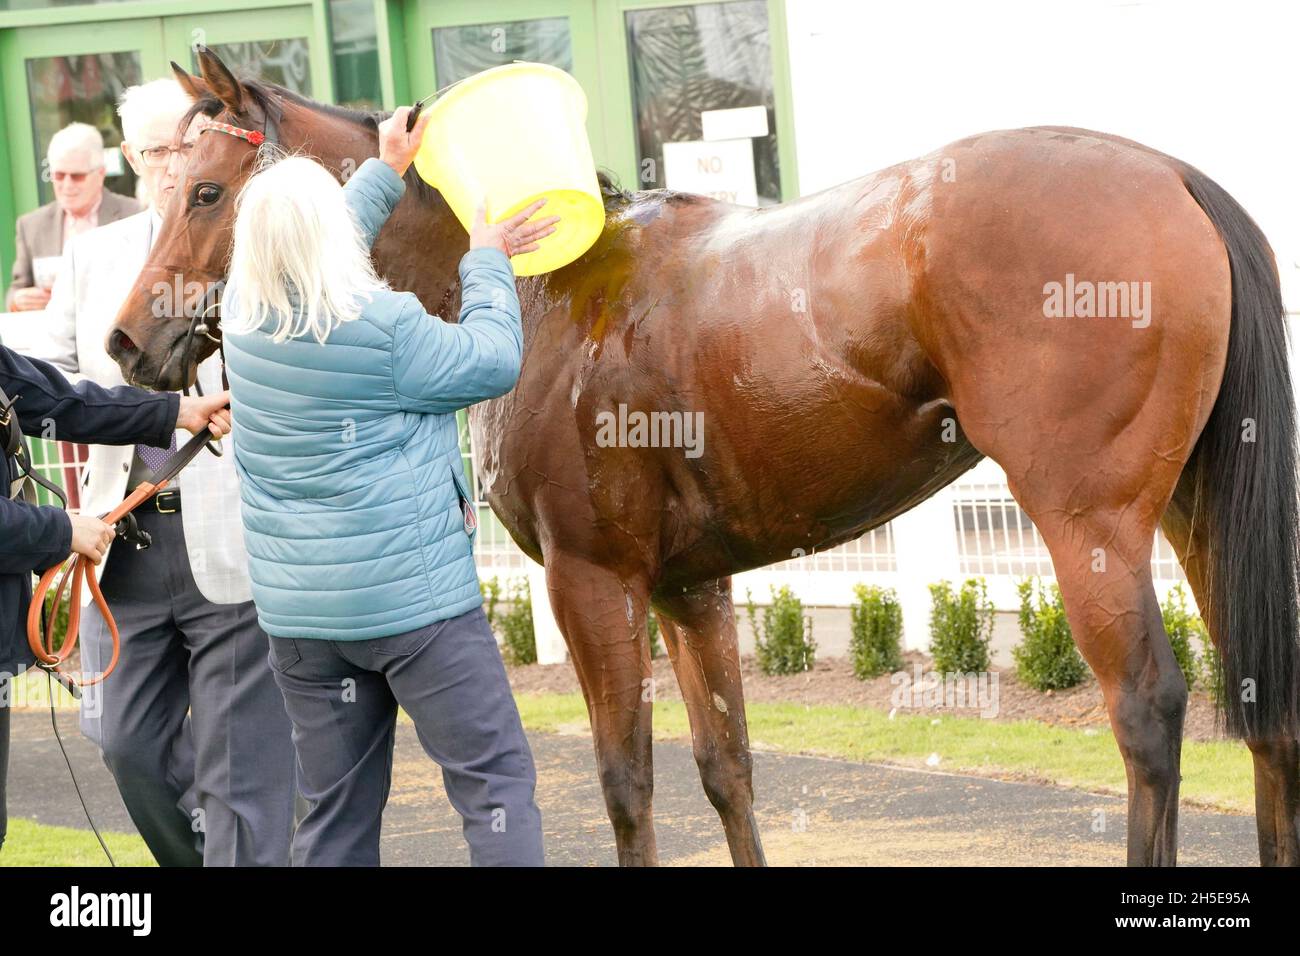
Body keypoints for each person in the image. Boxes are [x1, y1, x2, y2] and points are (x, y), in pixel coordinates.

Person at [221, 106, 558, 866]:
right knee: (495, 787)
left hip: (303, 624)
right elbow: (493, 358)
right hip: (416, 611)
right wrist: (487, 261)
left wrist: (386, 169)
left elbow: (311, 235)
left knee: (335, 816)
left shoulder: (240, 318)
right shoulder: (387, 328)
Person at [26, 79, 297, 867]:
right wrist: (129, 404)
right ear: (132, 160)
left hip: (232, 540)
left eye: (187, 147)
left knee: (239, 766)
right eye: (157, 150)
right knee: (125, 746)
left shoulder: (258, 252)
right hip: (122, 541)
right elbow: (44, 376)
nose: (174, 164)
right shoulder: (94, 256)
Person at [0, 343, 230, 855]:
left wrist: (174, 411)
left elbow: (53, 399)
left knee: (242, 758)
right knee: (126, 740)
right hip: (115, 557)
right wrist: (57, 529)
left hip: (220, 553)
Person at [6, 123, 141, 312]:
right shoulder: (31, 226)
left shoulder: (134, 214)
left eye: (77, 176)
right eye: (59, 176)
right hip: (52, 334)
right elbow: (15, 290)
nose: (67, 185)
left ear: (100, 174)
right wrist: (18, 301)